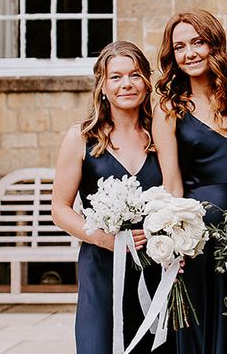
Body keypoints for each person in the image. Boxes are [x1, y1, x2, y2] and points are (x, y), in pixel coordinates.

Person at [151, 9, 227, 354]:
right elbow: (172, 185)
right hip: (201, 243)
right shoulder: (169, 108)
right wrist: (174, 246)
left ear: (214, 44)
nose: (189, 53)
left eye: (197, 42)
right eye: (179, 47)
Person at [51, 40, 169, 354]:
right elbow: (60, 208)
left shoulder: (163, 136)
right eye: (115, 77)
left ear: (146, 83)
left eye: (134, 75)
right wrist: (102, 238)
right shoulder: (81, 137)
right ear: (103, 86)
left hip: (156, 267)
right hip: (101, 267)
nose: (126, 84)